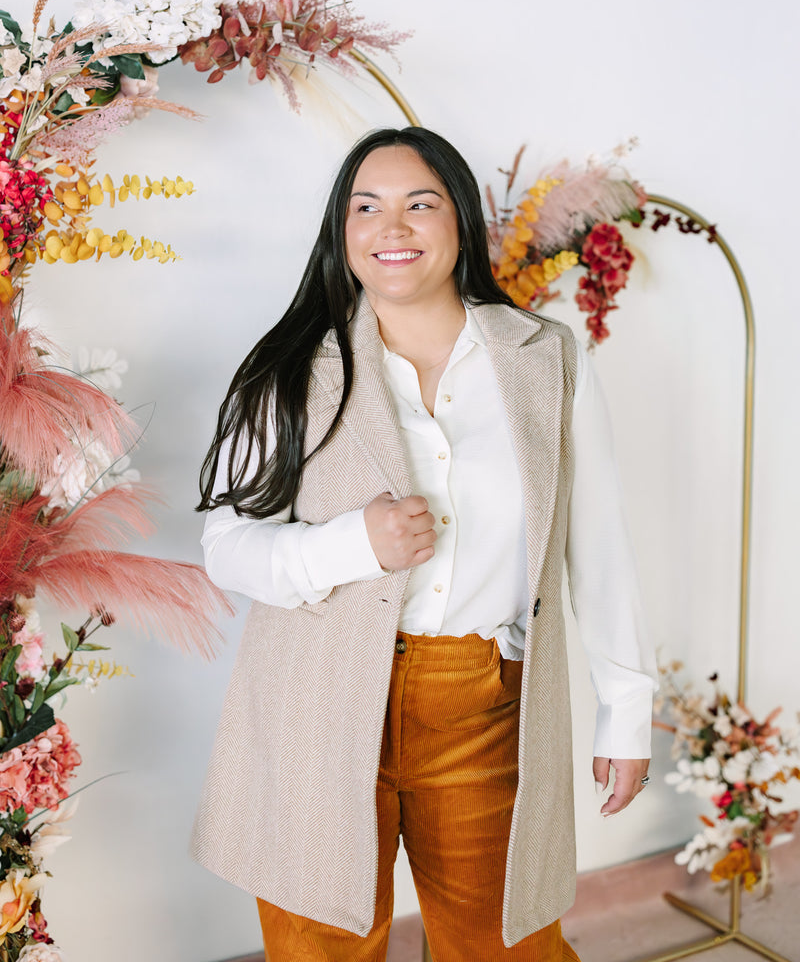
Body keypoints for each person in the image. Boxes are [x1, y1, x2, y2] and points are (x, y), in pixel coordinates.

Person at [192, 126, 657, 962]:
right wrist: (350, 546)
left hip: (480, 703)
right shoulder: (292, 367)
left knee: (507, 948)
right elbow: (225, 545)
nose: (391, 228)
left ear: (461, 223)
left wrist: (626, 711)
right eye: (366, 208)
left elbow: (597, 547)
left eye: (419, 204)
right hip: (317, 695)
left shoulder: (543, 359)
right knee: (318, 948)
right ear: (343, 233)